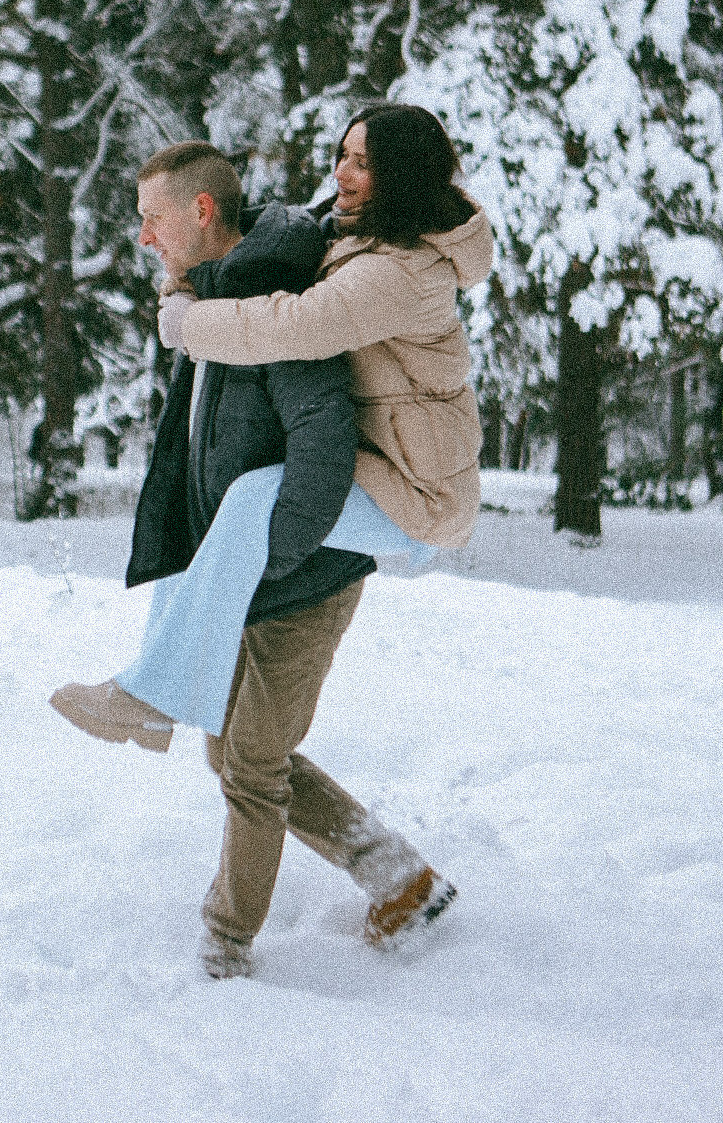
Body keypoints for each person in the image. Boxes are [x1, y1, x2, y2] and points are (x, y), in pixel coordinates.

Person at [54, 115, 489, 975]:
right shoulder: (351, 242)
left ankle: (225, 940)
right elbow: (279, 248)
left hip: (412, 497)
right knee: (238, 749)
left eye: (362, 163)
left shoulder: (398, 273)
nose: (343, 173)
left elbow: (291, 329)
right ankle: (398, 877)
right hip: (355, 494)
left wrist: (187, 319)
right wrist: (194, 284)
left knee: (250, 758)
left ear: (401, 177)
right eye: (341, 156)